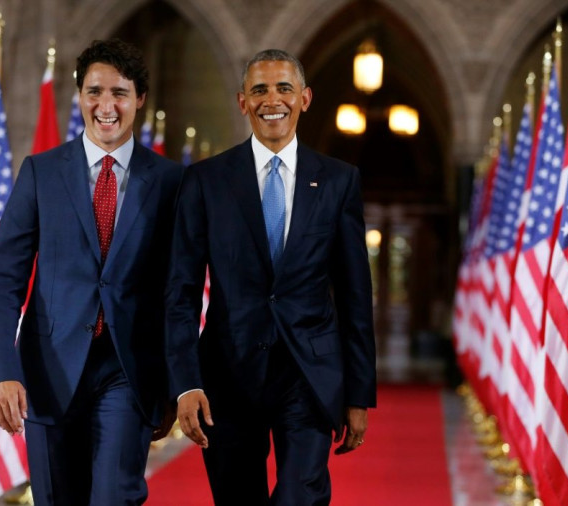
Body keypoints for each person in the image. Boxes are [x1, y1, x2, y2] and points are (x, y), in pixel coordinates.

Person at [165, 49, 376, 505]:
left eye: (284, 88)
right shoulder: (205, 181)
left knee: (300, 495)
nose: (272, 99)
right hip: (227, 376)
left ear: (305, 98)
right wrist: (185, 382)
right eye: (259, 89)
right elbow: (180, 293)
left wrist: (359, 394)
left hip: (310, 375)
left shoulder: (339, 181)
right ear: (242, 102)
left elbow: (356, 294)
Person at [0, 39, 181, 505]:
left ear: (140, 99)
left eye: (119, 93)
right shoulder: (41, 173)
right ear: (78, 96)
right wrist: (0, 370)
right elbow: (4, 278)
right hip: (47, 374)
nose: (105, 105)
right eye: (94, 91)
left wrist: (176, 382)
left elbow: (180, 290)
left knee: (114, 496)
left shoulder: (172, 182)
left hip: (128, 373)